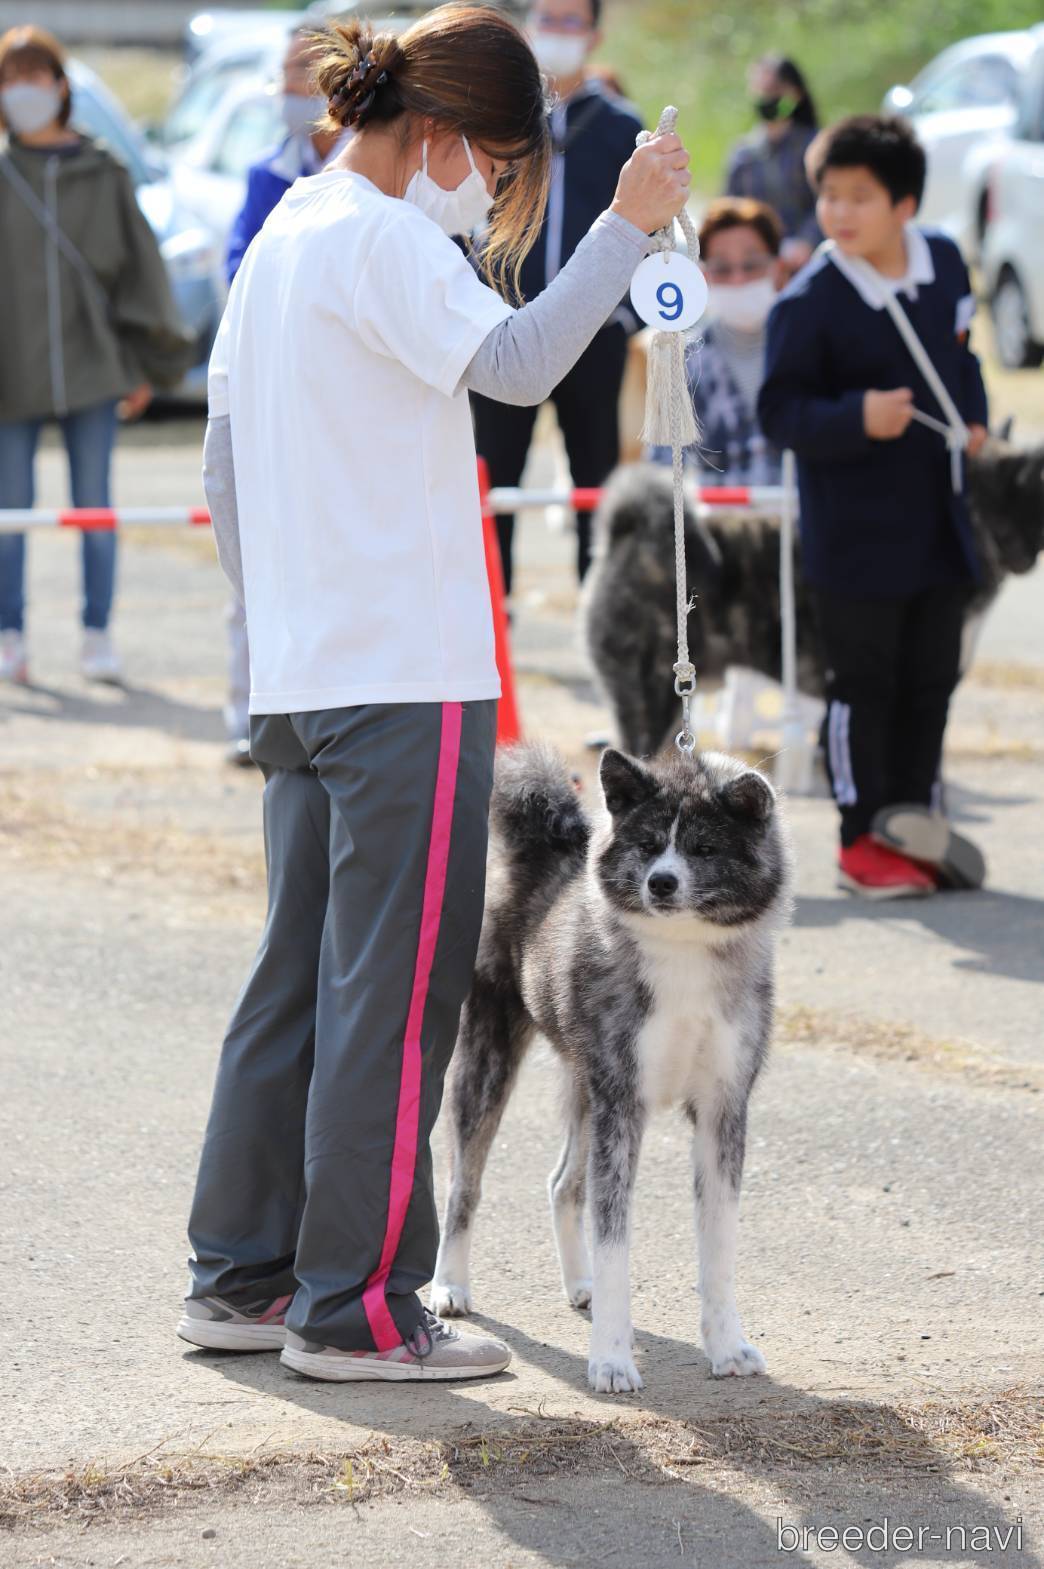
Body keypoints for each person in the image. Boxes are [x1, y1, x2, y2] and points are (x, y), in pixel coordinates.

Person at [178, 6, 689, 1383]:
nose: (497, 195)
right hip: (402, 669)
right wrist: (627, 226)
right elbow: (521, 365)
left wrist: (273, 617)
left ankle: (243, 1273)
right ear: (454, 137)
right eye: (504, 167)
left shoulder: (287, 233)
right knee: (394, 1000)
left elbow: (222, 464)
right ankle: (357, 1306)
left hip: (300, 664)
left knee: (295, 976)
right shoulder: (385, 238)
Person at [758, 115, 989, 898]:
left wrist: (977, 416)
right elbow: (779, 412)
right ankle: (860, 845)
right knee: (864, 687)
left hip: (940, 520)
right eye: (828, 195)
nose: (840, 213)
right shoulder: (811, 300)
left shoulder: (947, 264)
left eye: (860, 196)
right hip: (853, 538)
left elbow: (963, 357)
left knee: (932, 680)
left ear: (906, 204)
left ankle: (913, 826)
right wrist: (857, 418)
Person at [0, 25, 194, 686]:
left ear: (59, 86)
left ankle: (97, 631)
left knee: (96, 507)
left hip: (95, 367)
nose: (22, 90)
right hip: (11, 373)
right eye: (9, 77)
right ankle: (9, 635)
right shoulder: (2, 175)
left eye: (34, 75)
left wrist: (147, 365)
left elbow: (141, 274)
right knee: (10, 512)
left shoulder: (105, 170)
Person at [471, 0, 644, 591]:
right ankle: (495, 608)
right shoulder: (497, 114)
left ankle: (599, 610)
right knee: (493, 474)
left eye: (572, 20)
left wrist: (626, 313)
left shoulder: (622, 126)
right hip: (500, 326)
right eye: (548, 18)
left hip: (593, 333)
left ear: (594, 35)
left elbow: (651, 227)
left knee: (595, 477)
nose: (557, 32)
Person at [222, 28, 350, 766]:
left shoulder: (369, 170)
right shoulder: (264, 172)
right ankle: (253, 712)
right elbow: (240, 261)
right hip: (271, 379)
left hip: (335, 392)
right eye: (284, 75)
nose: (292, 88)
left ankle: (326, 712)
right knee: (256, 555)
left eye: (305, 72)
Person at [648, 195, 785, 485]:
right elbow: (663, 471)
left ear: (778, 268)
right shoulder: (681, 362)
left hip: (799, 526)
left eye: (752, 265)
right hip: (716, 527)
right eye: (723, 269)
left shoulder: (807, 349)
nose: (738, 279)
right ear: (704, 276)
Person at [725, 55, 819, 276]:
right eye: (760, 90)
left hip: (807, 265)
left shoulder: (815, 147)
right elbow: (729, 209)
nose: (767, 97)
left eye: (775, 89)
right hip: (758, 269)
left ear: (796, 93)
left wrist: (807, 242)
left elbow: (827, 199)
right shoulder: (744, 154)